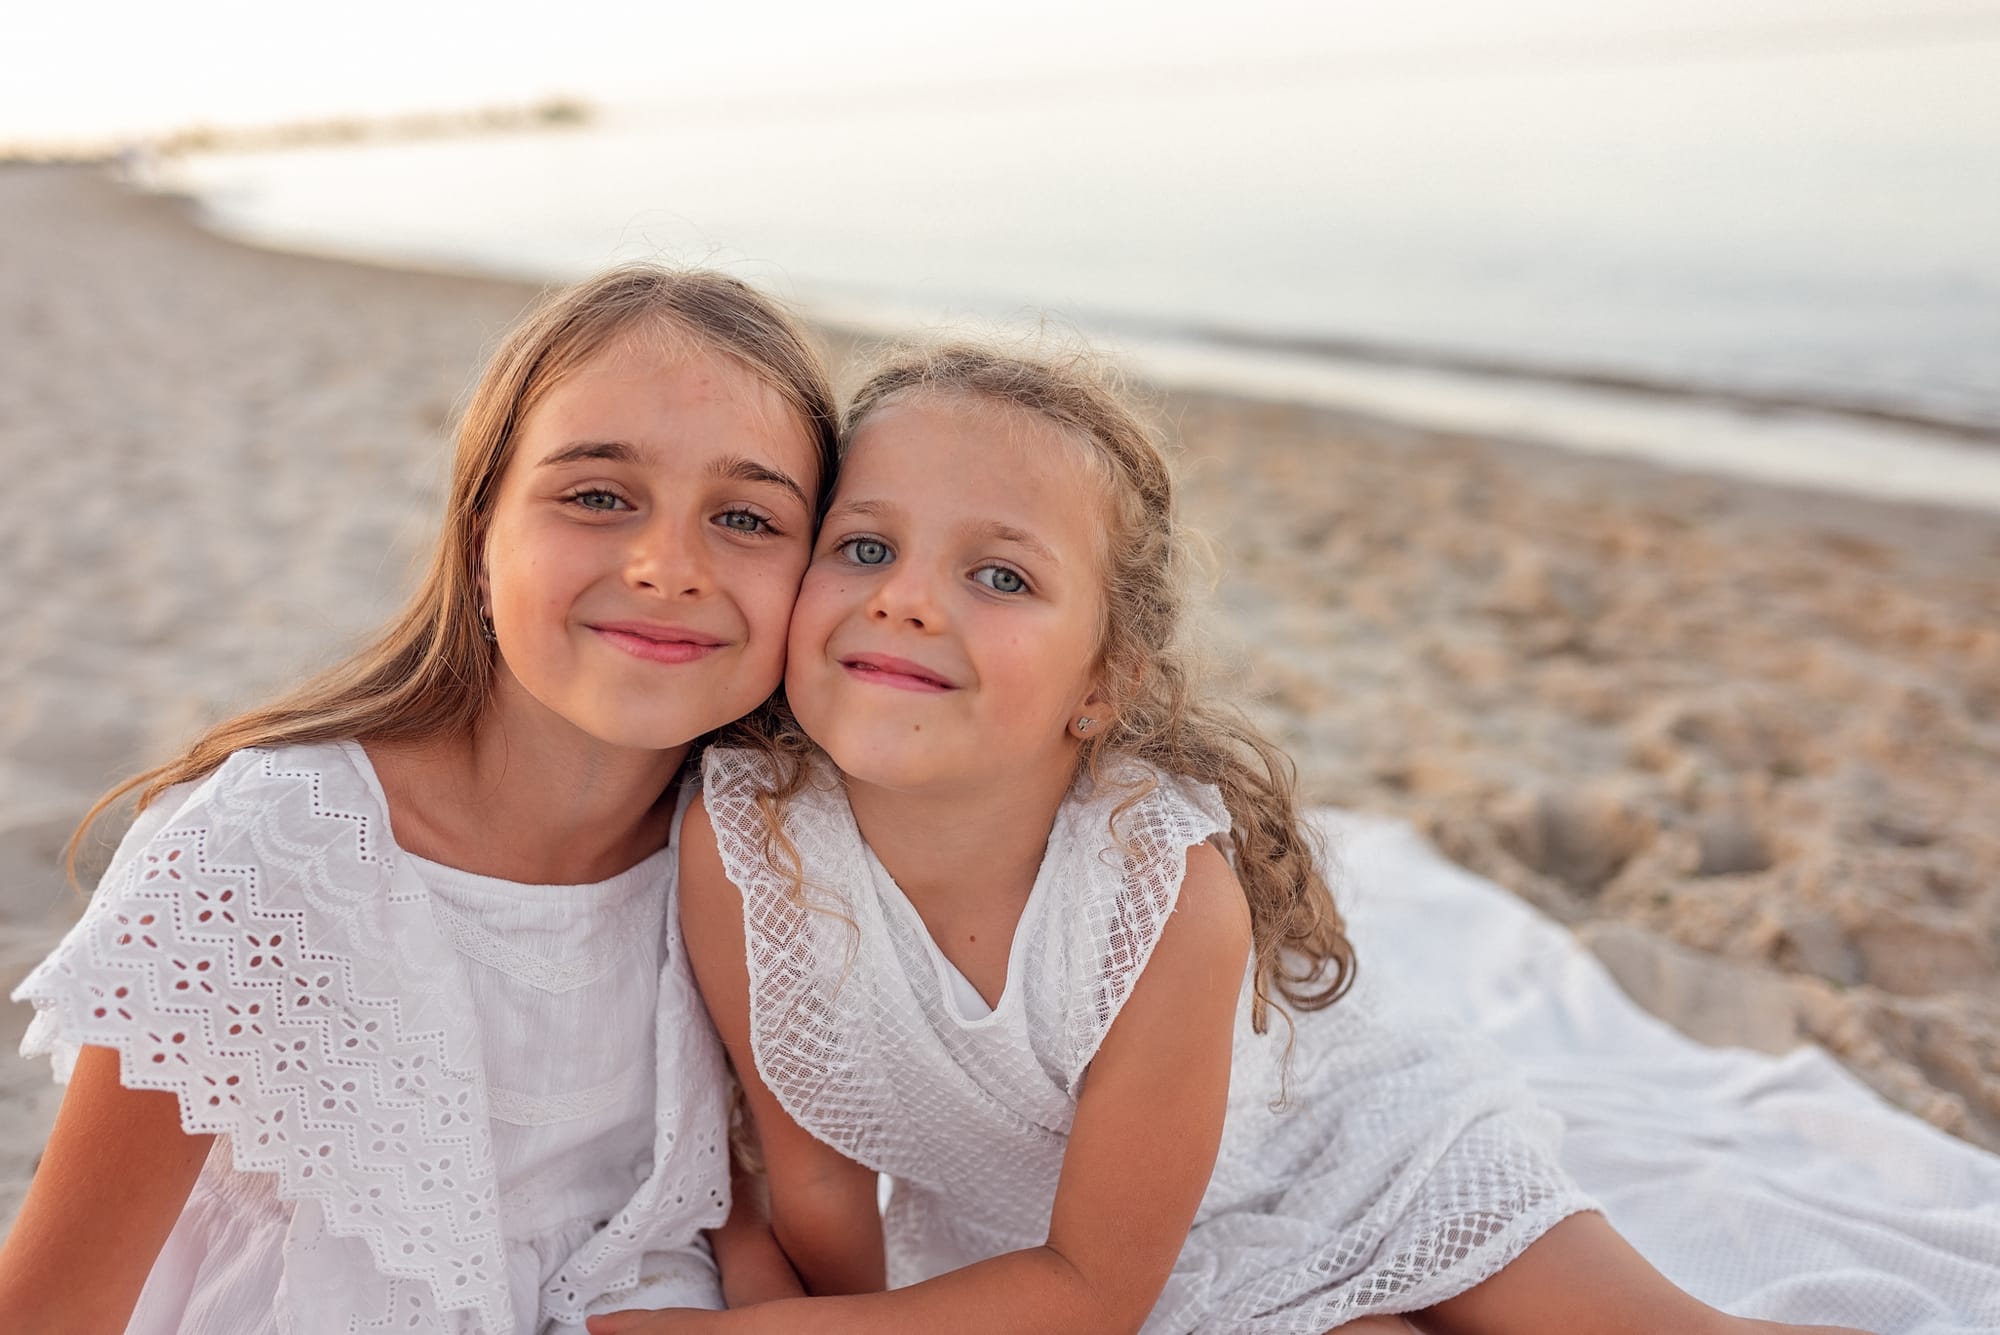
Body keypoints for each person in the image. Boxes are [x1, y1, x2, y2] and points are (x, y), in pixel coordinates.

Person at [600, 343, 1870, 1333]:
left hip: (1334, 1147)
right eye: (865, 544)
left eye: (1001, 576)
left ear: (1102, 683)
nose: (907, 596)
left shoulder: (1159, 889)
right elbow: (817, 1181)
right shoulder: (748, 844)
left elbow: (1092, 1294)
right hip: (1048, 1249)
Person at [0, 265, 840, 1334]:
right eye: (596, 496)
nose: (668, 564)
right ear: (482, 529)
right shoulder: (266, 854)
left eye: (748, 518)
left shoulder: (750, 860)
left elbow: (713, 1221)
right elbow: (51, 1306)